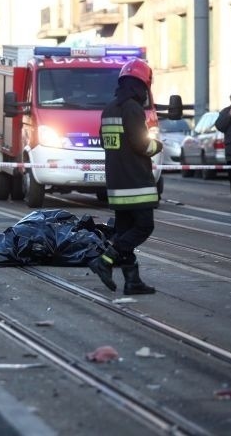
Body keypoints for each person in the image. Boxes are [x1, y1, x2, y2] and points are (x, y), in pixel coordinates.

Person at [90, 59, 163, 295]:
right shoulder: (133, 108)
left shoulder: (110, 108)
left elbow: (104, 141)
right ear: (142, 85)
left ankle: (132, 281)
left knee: (124, 231)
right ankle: (106, 259)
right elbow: (142, 144)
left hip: (117, 182)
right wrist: (157, 146)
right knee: (143, 226)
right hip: (135, 182)